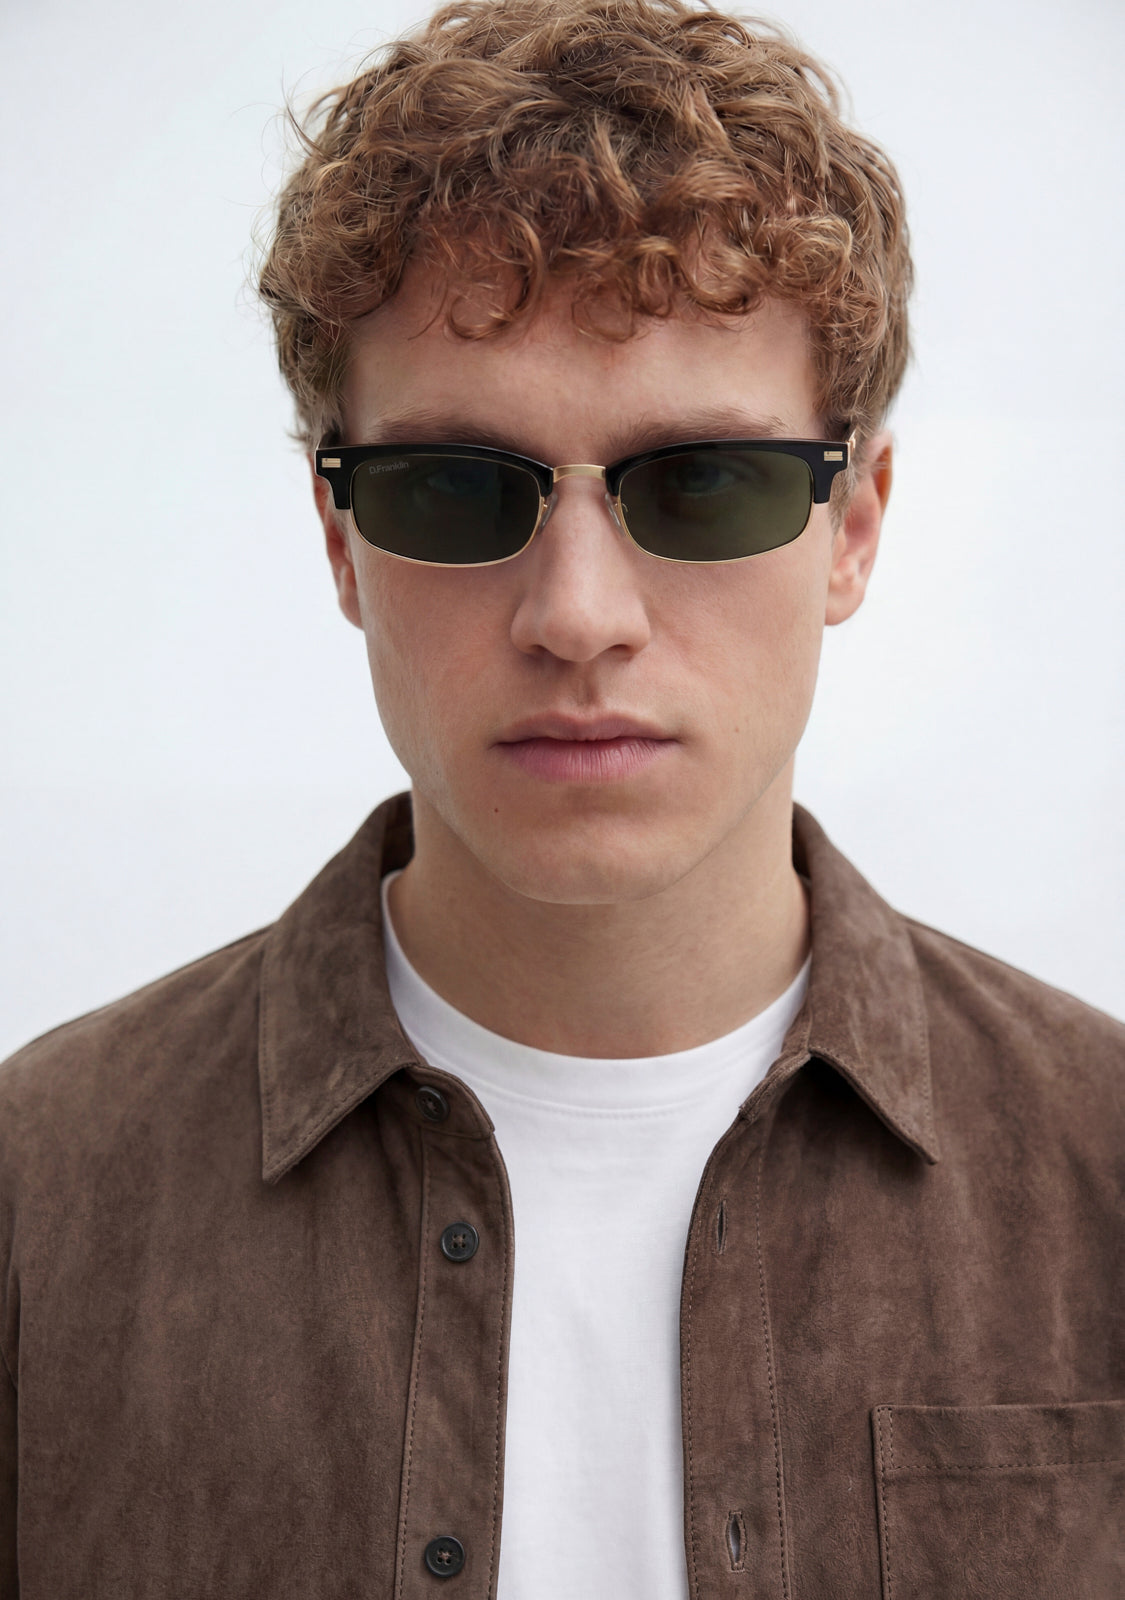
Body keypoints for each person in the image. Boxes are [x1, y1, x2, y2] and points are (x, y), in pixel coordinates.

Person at [1, 0, 1121, 1594]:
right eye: (454, 488)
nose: (578, 614)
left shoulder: (1101, 1166)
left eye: (703, 483)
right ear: (339, 541)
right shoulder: (38, 1195)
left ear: (854, 527)